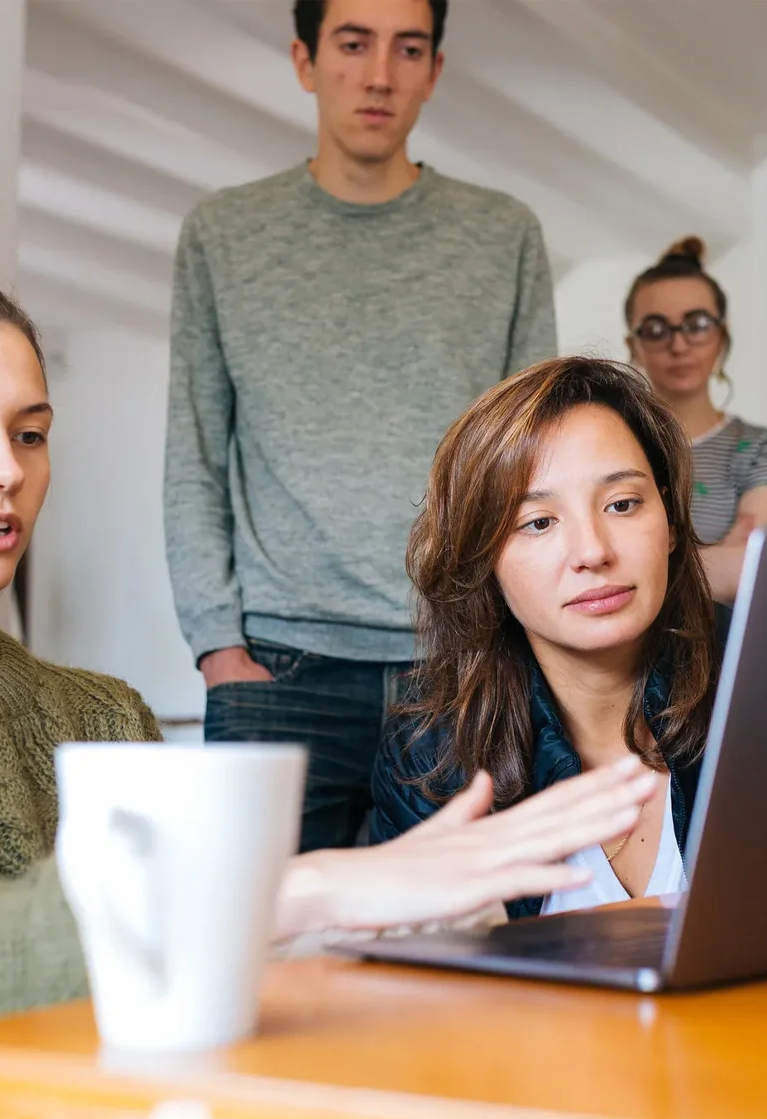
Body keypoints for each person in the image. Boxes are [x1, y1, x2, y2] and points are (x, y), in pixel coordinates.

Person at [0, 166, 642, 1119]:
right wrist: (299, 887)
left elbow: (202, 1004)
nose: (4, 470)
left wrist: (399, 923)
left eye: (30, 433)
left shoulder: (99, 716)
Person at [164, 0, 557, 853]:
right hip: (274, 669)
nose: (380, 74)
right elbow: (192, 452)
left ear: (434, 71)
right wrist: (216, 646)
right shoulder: (223, 235)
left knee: (449, 958)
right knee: (259, 959)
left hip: (458, 663)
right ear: (305, 61)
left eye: (407, 48)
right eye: (353, 44)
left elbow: (535, 462)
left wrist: (518, 638)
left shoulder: (504, 236)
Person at [370, 357, 730, 920]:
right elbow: (413, 991)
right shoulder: (432, 754)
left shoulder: (766, 684)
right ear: (483, 560)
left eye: (622, 504)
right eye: (538, 522)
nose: (592, 552)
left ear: (671, 524)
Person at [624, 237, 767, 602]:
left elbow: (748, 569)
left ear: (721, 336)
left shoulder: (761, 448)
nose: (679, 345)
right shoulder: (610, 444)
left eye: (696, 324)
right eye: (655, 329)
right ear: (633, 346)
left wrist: (627, 578)